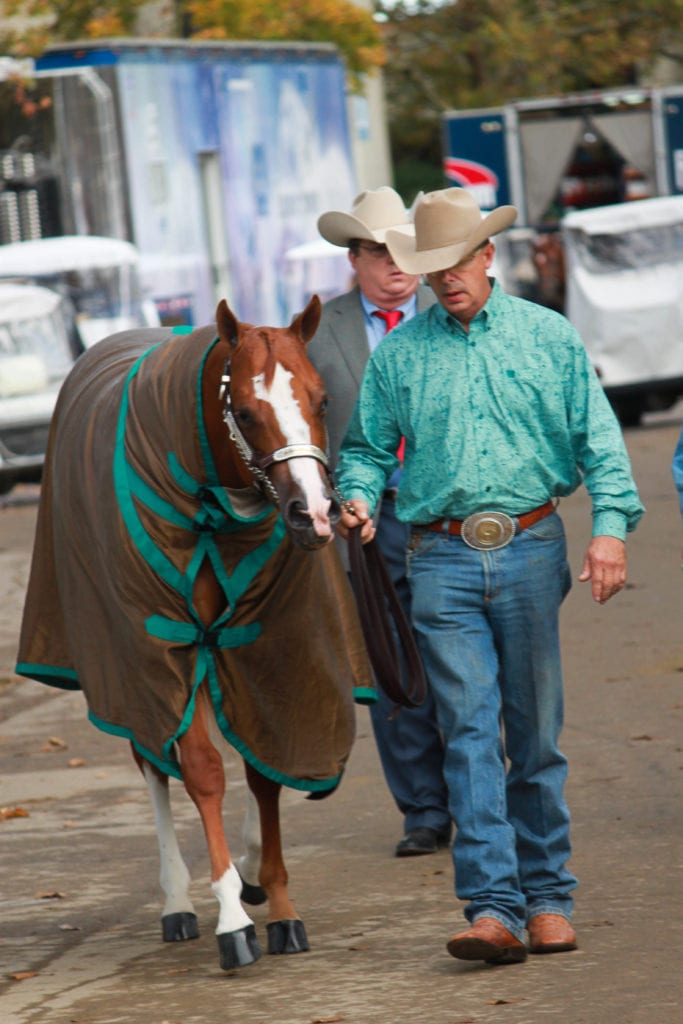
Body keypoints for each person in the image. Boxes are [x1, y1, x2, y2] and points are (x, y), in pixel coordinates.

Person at [335, 187, 644, 964]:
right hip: (435, 556)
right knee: (467, 733)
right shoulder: (401, 354)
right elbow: (367, 449)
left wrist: (609, 530)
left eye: (455, 265)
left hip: (531, 547)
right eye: (430, 269)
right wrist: (358, 496)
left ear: (486, 255)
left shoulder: (548, 338)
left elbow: (599, 445)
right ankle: (493, 908)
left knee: (532, 733)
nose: (444, 282)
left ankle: (547, 897)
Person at [308, 187, 451, 857]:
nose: (394, 264)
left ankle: (475, 790)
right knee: (389, 670)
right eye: (377, 251)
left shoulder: (448, 311)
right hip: (366, 522)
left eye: (403, 250)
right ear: (353, 257)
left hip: (447, 514)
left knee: (459, 656)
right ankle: (422, 808)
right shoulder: (316, 329)